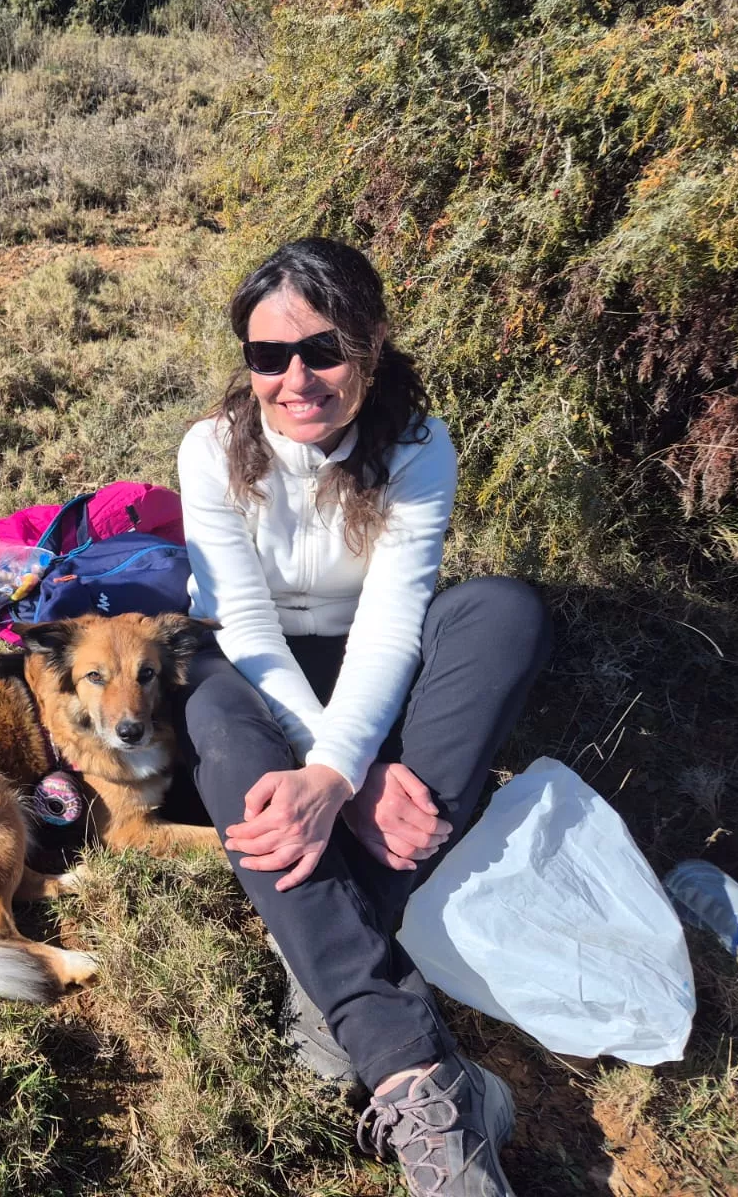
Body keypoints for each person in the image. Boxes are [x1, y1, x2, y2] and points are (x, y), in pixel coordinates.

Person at [174, 237, 550, 1196]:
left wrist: (344, 771)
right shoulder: (212, 450)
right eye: (268, 357)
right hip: (252, 663)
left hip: (369, 657)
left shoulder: (417, 442)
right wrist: (337, 769)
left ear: (371, 345)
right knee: (225, 736)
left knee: (501, 614)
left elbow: (390, 626)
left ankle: (324, 975)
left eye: (323, 350)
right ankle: (416, 1074)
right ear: (246, 363)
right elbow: (247, 627)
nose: (297, 380)